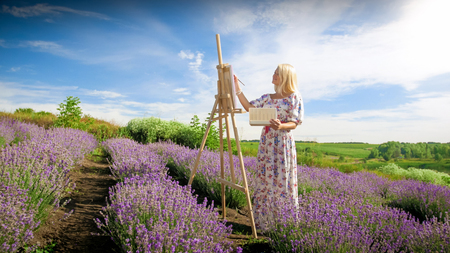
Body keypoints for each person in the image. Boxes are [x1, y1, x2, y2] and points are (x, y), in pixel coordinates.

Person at [234, 63, 303, 230]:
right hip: (267, 144)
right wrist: (237, 89)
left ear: (285, 77)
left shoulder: (294, 96)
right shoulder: (267, 97)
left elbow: (295, 123)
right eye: (274, 72)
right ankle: (263, 223)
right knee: (265, 180)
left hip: (283, 144)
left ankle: (283, 224)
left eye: (277, 73)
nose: (274, 75)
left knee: (282, 180)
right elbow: (250, 108)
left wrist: (281, 126)